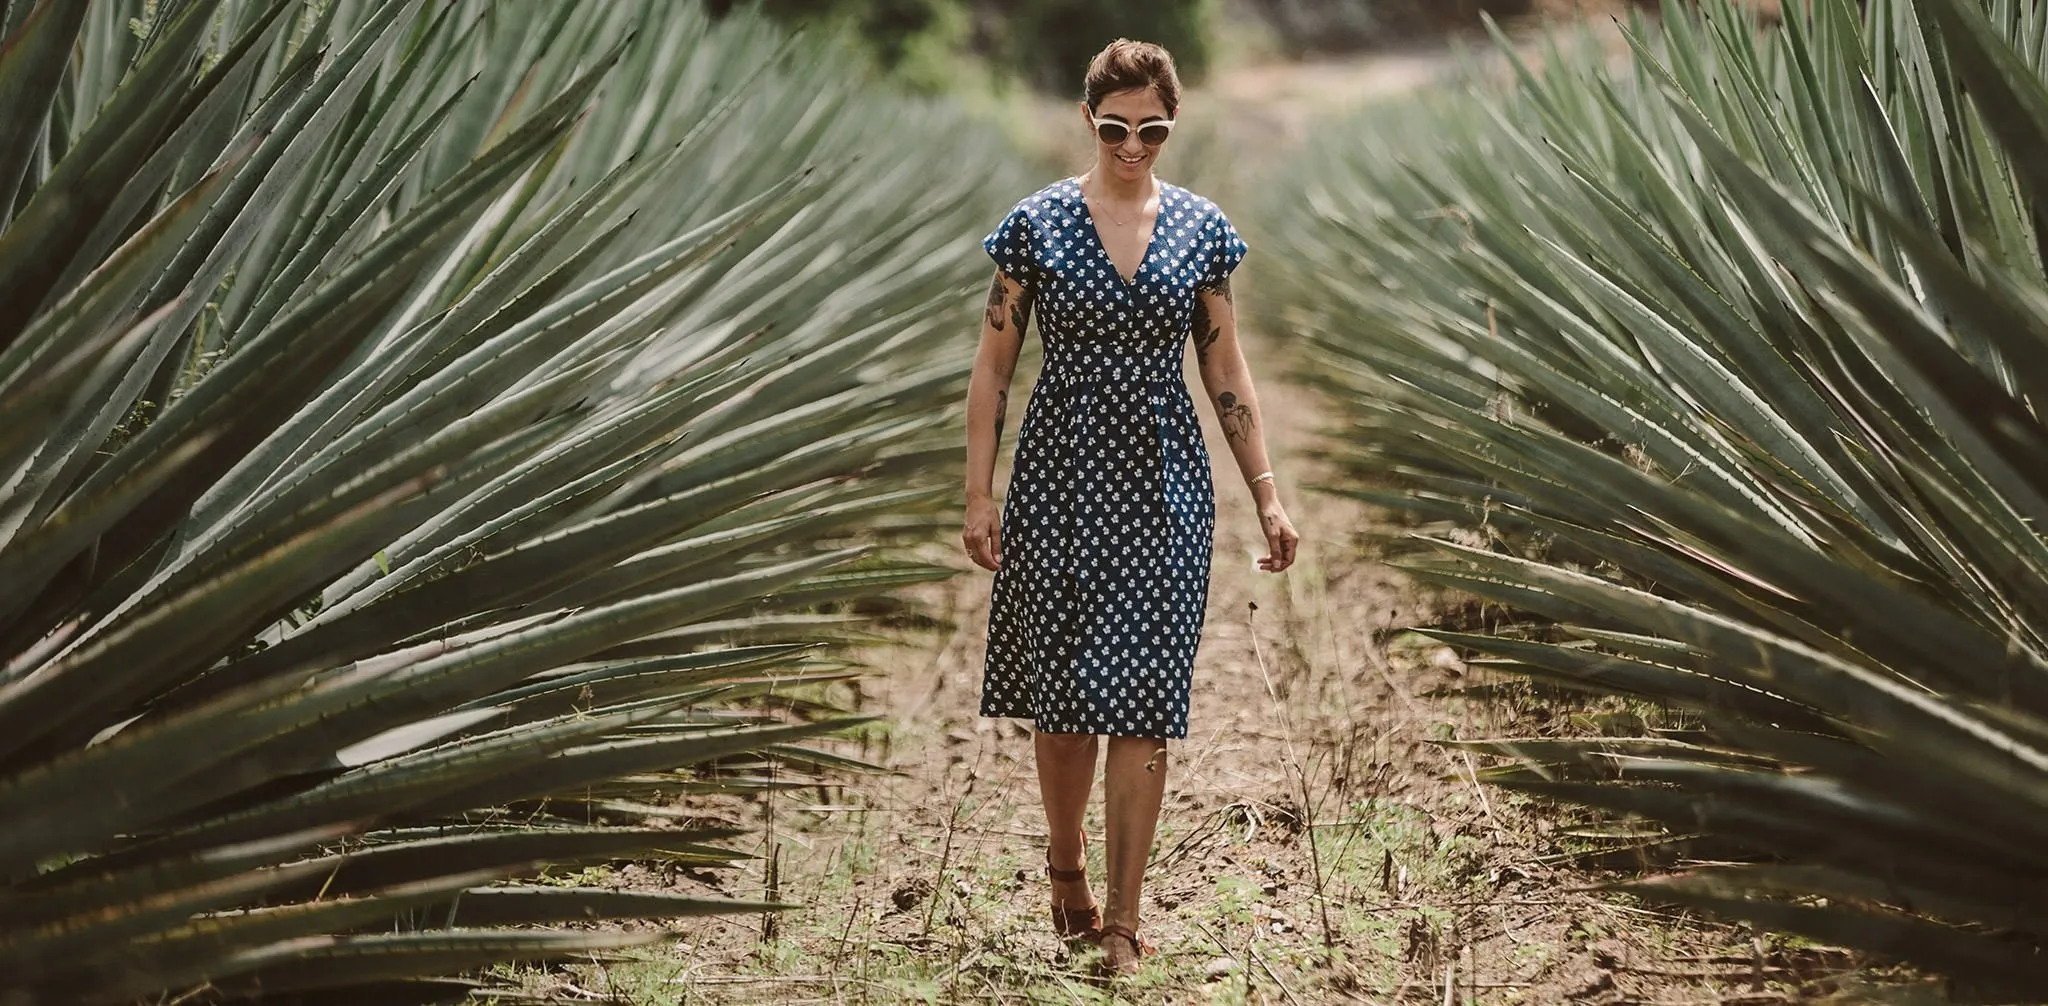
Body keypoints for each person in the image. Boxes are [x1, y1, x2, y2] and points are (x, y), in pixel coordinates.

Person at [960, 37, 1300, 977]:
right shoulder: (1035, 226)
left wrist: (1267, 495)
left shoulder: (1201, 230)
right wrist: (979, 494)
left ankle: (1122, 919)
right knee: (1065, 703)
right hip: (1059, 482)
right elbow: (993, 370)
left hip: (1165, 490)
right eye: (1116, 128)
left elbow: (1225, 369)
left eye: (1152, 129)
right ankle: (1064, 868)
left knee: (1146, 700)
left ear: (1172, 126)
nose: (1133, 146)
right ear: (1088, 121)